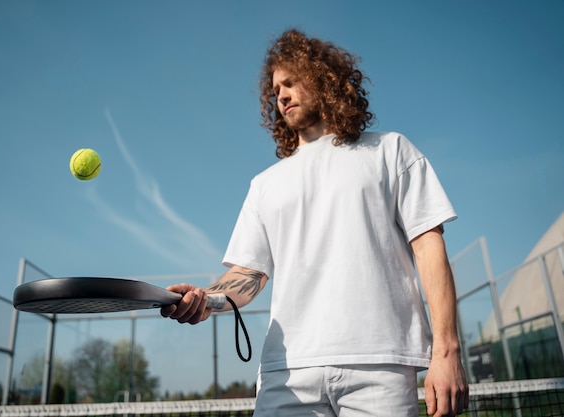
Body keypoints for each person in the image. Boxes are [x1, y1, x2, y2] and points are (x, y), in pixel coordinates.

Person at [161, 28, 469, 417]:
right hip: (285, 372)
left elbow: (429, 248)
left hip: (380, 366)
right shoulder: (264, 184)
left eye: (291, 82)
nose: (282, 96)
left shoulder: (391, 150)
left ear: (325, 79)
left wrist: (446, 352)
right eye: (275, 91)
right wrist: (207, 300)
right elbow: (249, 276)